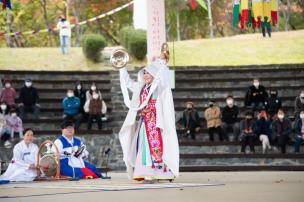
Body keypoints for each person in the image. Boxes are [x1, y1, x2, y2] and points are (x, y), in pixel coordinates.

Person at [119, 61, 179, 182]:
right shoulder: (140, 87)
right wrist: (122, 68)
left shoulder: (158, 86)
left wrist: (162, 63)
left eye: (148, 73)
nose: (146, 75)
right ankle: (145, 171)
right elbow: (128, 82)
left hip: (155, 122)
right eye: (144, 73)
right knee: (142, 145)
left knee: (153, 145)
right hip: (144, 121)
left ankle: (160, 172)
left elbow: (163, 78)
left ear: (154, 75)